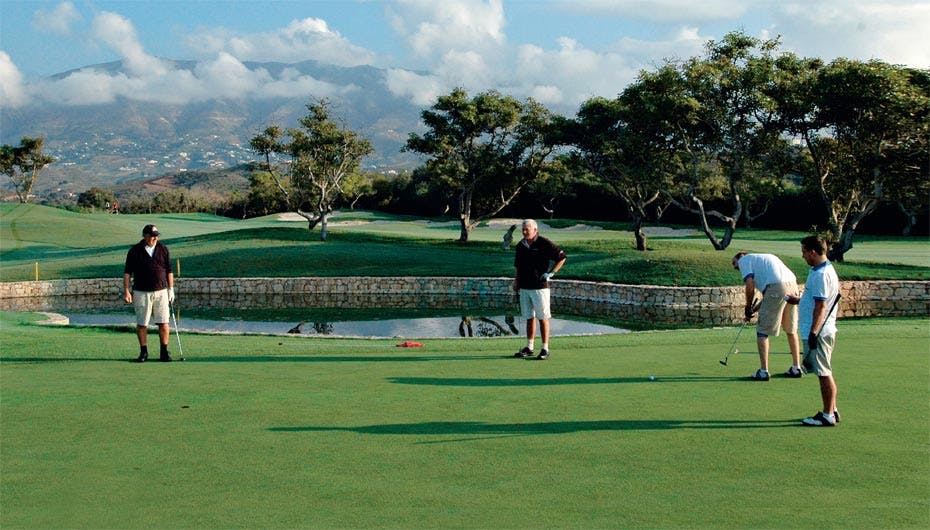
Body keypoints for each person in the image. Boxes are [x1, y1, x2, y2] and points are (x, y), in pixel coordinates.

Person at [786, 236, 841, 427]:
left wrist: (813, 332)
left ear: (813, 252)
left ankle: (827, 415)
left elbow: (821, 305)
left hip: (820, 332)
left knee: (824, 373)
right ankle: (832, 409)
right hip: (817, 330)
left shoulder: (822, 274)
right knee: (823, 371)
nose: (803, 256)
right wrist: (798, 301)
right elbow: (813, 300)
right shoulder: (817, 270)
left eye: (804, 252)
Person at [732, 251, 802, 380]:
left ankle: (763, 371)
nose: (735, 267)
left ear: (739, 258)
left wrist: (747, 307)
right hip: (792, 285)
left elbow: (749, 285)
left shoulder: (744, 260)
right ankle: (796, 368)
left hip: (776, 287)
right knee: (791, 329)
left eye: (734, 263)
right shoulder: (763, 260)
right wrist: (753, 309)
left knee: (762, 331)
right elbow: (769, 296)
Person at [513, 219, 567, 360]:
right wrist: (516, 282)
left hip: (540, 287)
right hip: (525, 286)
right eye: (523, 229)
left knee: (543, 318)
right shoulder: (520, 245)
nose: (525, 232)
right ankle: (529, 347)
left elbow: (561, 257)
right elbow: (518, 266)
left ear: (535, 230)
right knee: (529, 317)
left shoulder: (544, 243)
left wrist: (551, 273)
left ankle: (545, 349)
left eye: (527, 229)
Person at [124, 224, 175, 362]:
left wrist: (171, 289)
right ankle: (144, 352)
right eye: (152, 236)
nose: (155, 238)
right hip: (141, 292)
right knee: (142, 324)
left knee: (164, 322)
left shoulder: (163, 249)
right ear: (145, 236)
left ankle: (164, 352)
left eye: (157, 235)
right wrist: (127, 291)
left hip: (161, 292)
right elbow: (128, 273)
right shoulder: (135, 251)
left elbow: (169, 271)